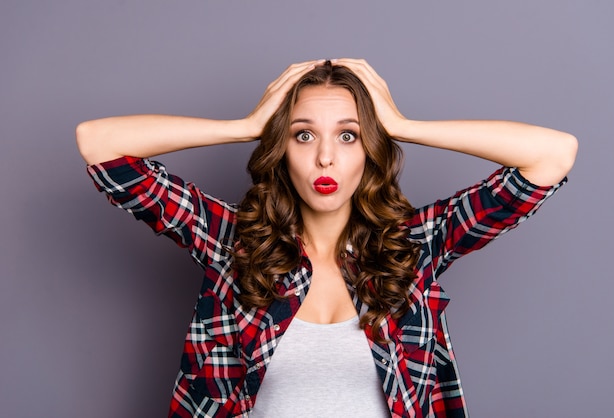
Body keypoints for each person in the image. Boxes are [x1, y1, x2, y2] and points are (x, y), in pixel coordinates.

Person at [76, 59, 577, 418]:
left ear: (369, 149)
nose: (325, 159)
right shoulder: (232, 242)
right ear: (281, 149)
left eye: (348, 135)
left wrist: (402, 124)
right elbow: (99, 145)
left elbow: (552, 156)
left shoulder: (414, 247)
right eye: (302, 134)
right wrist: (246, 125)